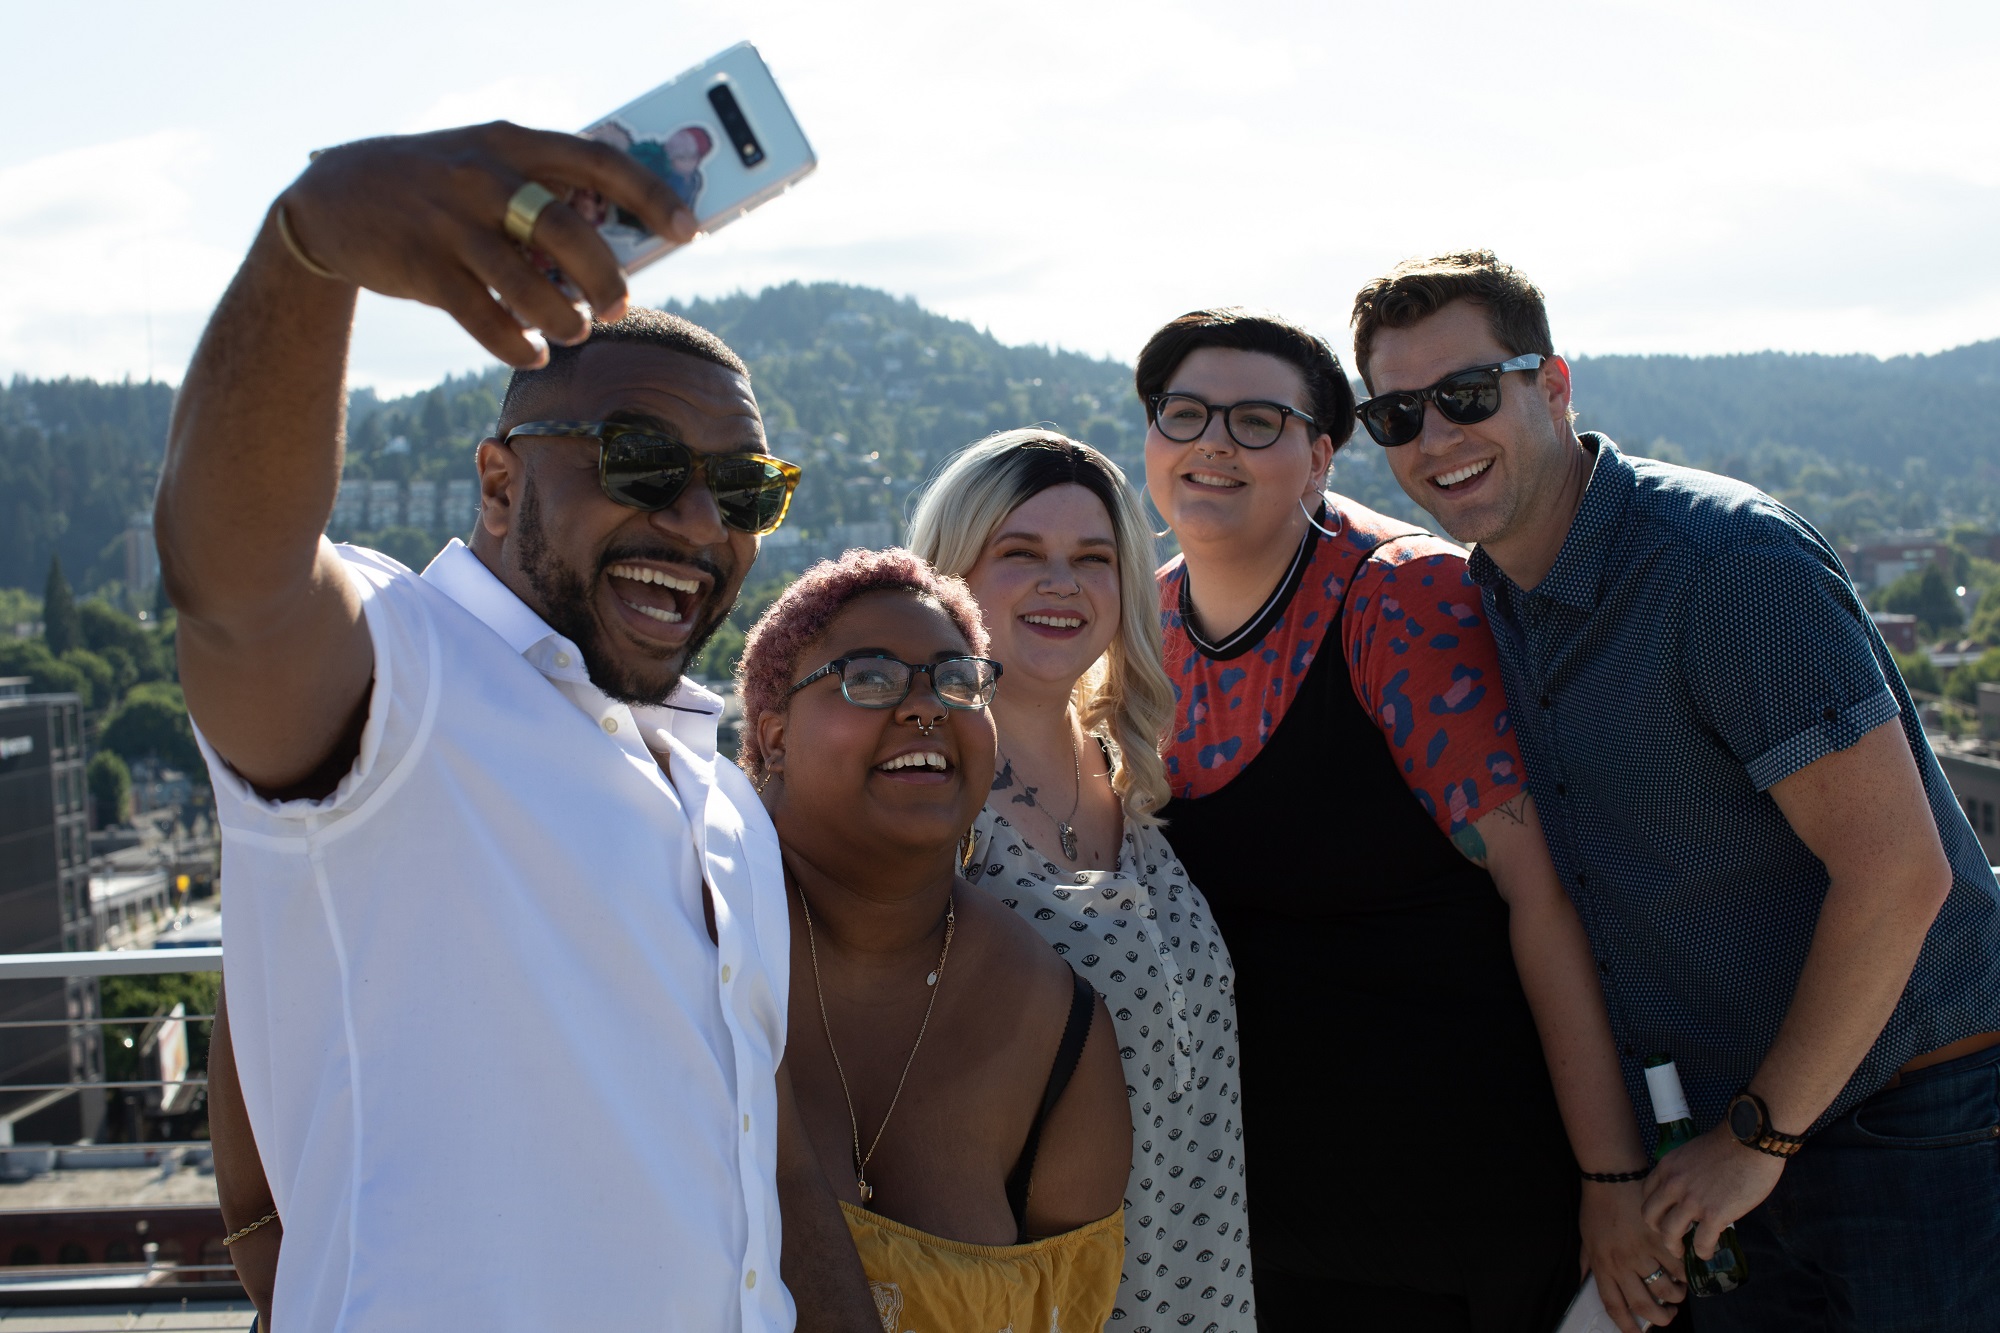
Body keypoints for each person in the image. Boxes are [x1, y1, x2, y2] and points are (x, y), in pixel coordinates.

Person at [158, 124, 874, 1331]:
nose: (700, 522)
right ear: (498, 482)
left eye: (746, 491)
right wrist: (308, 246)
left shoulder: (718, 801)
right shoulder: (401, 687)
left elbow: (776, 1175)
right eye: (641, 461)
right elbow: (233, 586)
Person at [1352, 250, 2000, 1333]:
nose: (1433, 437)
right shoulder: (1497, 594)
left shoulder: (1717, 563)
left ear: (1552, 386)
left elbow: (1895, 872)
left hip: (1909, 1129)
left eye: (1465, 395)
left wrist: (1756, 1139)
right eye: (1396, 414)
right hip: (1731, 1144)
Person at [1137, 307, 1681, 1332]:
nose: (1213, 441)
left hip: (1457, 1196)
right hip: (1256, 1210)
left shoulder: (1399, 597)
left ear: (1318, 457)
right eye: (1184, 412)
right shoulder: (1142, 622)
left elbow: (1542, 897)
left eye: (1259, 420)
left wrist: (1609, 1180)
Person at [907, 429, 1257, 1331]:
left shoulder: (1129, 775)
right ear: (950, 576)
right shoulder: (923, 802)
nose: (1061, 582)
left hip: (1200, 1295)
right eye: (1019, 553)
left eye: (1092, 558)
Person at [736, 547, 1131, 1330]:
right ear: (772, 736)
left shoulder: (1057, 1030)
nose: (926, 707)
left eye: (958, 680)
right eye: (871, 678)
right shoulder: (681, 935)